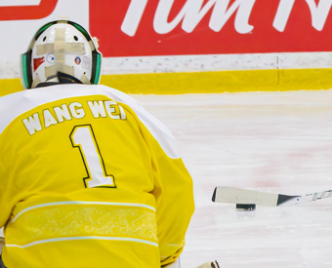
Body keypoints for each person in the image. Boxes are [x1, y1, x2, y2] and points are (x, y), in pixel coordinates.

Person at [0, 19, 194, 266]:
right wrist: (162, 258)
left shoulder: (6, 114)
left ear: (30, 66)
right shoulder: (131, 109)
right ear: (92, 66)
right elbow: (177, 192)